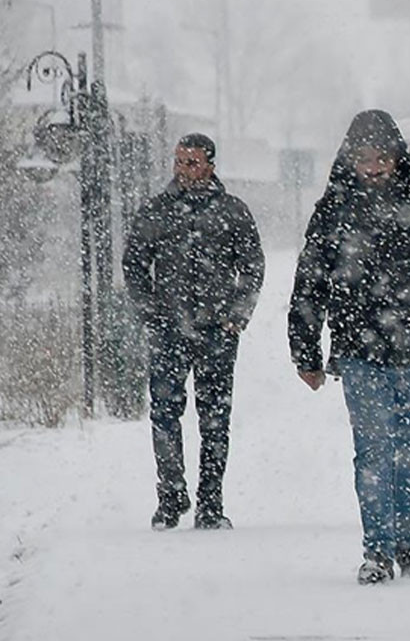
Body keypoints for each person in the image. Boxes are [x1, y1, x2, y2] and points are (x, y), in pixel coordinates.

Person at [288, 110, 410, 584]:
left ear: (398, 157)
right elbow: (310, 280)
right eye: (365, 158)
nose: (374, 167)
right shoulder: (335, 208)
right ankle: (377, 550)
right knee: (374, 451)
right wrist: (305, 351)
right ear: (350, 158)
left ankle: (409, 541)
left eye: (382, 158)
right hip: (361, 352)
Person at [122, 133, 265, 531]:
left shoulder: (232, 212)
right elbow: (133, 264)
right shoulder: (156, 211)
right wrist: (150, 311)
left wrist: (237, 316)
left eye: (192, 163)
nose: (183, 170)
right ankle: (171, 496)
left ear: (210, 165)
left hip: (217, 330)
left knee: (215, 418)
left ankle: (210, 503)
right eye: (179, 162)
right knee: (165, 413)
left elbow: (252, 266)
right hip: (168, 328)